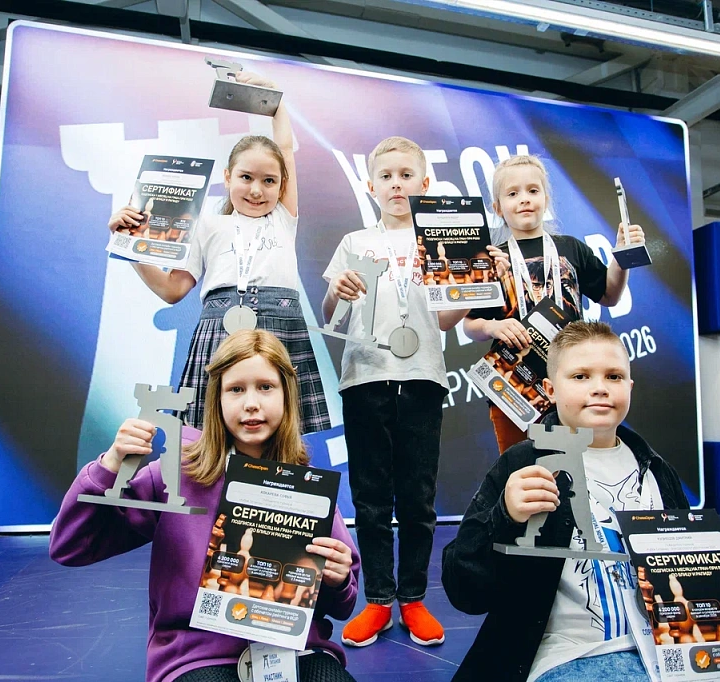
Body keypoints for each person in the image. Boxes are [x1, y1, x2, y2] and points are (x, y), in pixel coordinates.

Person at [442, 321, 720, 682]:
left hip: (678, 655)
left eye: (613, 376)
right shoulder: (522, 465)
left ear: (629, 387)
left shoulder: (657, 470)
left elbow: (699, 572)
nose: (599, 387)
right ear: (550, 389)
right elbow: (464, 591)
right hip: (575, 657)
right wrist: (505, 517)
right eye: (580, 376)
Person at [49, 329, 359, 682]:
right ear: (216, 399)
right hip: (198, 656)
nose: (251, 403)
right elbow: (70, 547)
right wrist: (109, 466)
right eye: (236, 389)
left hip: (295, 651)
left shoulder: (307, 486)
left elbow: (343, 603)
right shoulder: (172, 475)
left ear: (287, 395)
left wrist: (338, 580)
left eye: (266, 387)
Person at [321, 136, 506, 649]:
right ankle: (378, 599)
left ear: (425, 183)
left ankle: (414, 598)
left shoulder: (444, 240)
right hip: (364, 376)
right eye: (387, 176)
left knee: (418, 496)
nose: (396, 184)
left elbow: (446, 320)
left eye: (406, 175)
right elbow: (332, 316)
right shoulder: (354, 242)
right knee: (371, 496)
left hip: (423, 376)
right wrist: (336, 290)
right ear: (371, 185)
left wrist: (476, 278)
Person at [107, 70, 330, 436]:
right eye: (246, 177)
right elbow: (172, 289)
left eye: (269, 181)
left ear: (282, 185)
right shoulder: (206, 224)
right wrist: (129, 245)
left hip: (281, 327)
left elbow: (286, 149)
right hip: (218, 328)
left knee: (281, 433)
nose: (256, 190)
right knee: (211, 435)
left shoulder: (283, 217)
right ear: (228, 177)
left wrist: (274, 100)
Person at [463, 154, 645, 454]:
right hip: (513, 383)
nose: (524, 199)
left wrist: (621, 256)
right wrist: (494, 327)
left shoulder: (571, 248)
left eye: (533, 190)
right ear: (497, 208)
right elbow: (470, 325)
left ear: (546, 199)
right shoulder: (493, 258)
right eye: (512, 193)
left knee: (575, 467)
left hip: (573, 380)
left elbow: (609, 295)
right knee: (520, 467)